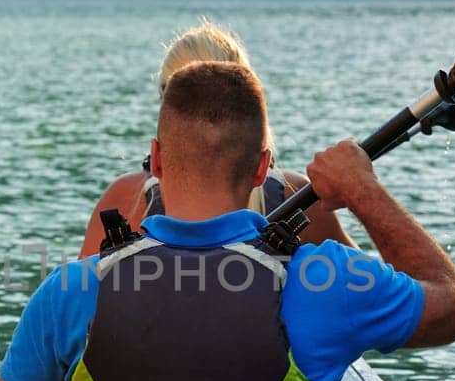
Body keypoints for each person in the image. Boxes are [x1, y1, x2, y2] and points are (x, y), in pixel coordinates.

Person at [0, 60, 455, 381]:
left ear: (156, 161)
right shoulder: (327, 278)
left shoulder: (73, 289)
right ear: (262, 168)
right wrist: (363, 191)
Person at [78, 21, 354, 257]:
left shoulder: (126, 202)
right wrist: (362, 191)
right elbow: (380, 294)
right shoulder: (296, 198)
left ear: (167, 104)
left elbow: (75, 306)